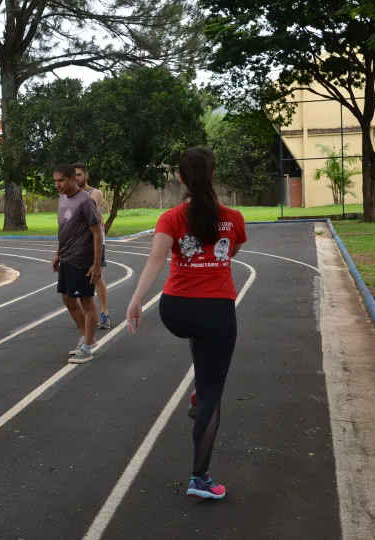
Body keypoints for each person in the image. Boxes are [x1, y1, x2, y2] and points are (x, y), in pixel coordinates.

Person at [125, 147, 246, 500]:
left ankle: (199, 388)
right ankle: (201, 478)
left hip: (175, 311)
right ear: (213, 175)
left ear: (179, 178)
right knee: (213, 395)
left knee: (200, 346)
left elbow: (157, 258)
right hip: (216, 312)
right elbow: (232, 249)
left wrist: (136, 300)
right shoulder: (233, 217)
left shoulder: (171, 217)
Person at [52, 163, 103, 364]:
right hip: (66, 258)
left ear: (74, 179)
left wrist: (97, 263)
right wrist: (58, 253)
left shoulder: (86, 202)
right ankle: (87, 338)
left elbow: (97, 233)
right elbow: (64, 229)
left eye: (61, 180)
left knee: (87, 302)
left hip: (82, 260)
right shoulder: (62, 198)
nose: (58, 185)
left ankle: (87, 347)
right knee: (68, 300)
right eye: (55, 181)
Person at [74, 162, 111, 329]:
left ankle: (104, 313)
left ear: (86, 175)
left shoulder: (95, 193)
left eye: (79, 175)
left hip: (94, 240)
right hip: (77, 242)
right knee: (79, 278)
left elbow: (88, 210)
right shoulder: (70, 195)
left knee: (97, 277)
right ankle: (88, 315)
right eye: (74, 175)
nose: (77, 178)